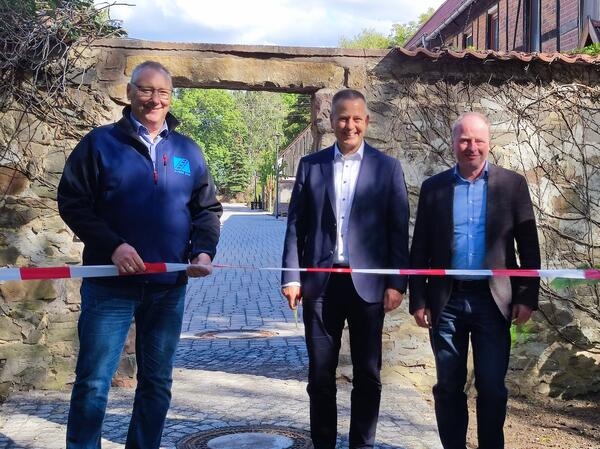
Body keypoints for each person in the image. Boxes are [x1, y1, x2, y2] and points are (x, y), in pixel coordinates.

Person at [57, 60, 222, 449]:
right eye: (146, 90)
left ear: (171, 97)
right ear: (130, 93)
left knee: (157, 382)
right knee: (94, 381)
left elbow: (206, 210)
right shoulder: (99, 144)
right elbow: (72, 202)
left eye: (162, 92)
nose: (154, 99)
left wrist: (203, 252)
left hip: (167, 288)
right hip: (109, 286)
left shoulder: (188, 150)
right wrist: (113, 246)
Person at [281, 89, 409, 449]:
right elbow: (296, 227)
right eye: (342, 118)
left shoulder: (388, 168)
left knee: (368, 374)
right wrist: (291, 276)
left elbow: (398, 230)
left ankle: (361, 444)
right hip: (320, 287)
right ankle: (323, 443)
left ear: (366, 122)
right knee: (320, 375)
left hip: (368, 286)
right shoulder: (312, 166)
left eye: (356, 118)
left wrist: (396, 282)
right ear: (331, 121)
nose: (349, 125)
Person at [409, 112, 541, 449]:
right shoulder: (434, 188)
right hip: (447, 302)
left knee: (493, 386)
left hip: (493, 301)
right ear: (453, 143)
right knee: (449, 386)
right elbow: (420, 246)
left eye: (478, 140)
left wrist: (526, 297)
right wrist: (418, 299)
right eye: (464, 140)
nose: (472, 147)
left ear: (489, 143)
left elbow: (528, 246)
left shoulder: (512, 185)